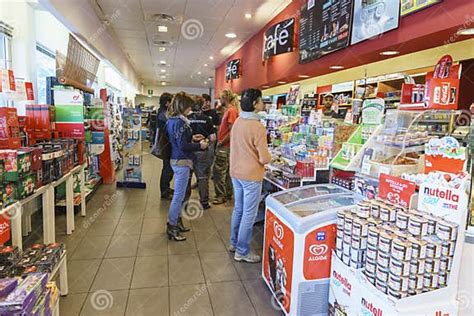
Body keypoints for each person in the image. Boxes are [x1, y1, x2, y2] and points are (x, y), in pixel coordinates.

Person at [229, 88, 271, 263]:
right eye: (261, 100)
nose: (263, 103)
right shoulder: (257, 126)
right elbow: (264, 157)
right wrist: (270, 157)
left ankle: (234, 243)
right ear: (255, 104)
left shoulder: (238, 121)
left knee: (238, 209)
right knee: (249, 213)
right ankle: (242, 251)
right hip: (251, 175)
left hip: (236, 172)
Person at [166, 92, 209, 241]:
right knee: (178, 196)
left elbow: (180, 141)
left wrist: (192, 138)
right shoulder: (179, 122)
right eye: (189, 106)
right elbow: (183, 146)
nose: (190, 109)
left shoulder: (172, 120)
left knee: (180, 194)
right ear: (183, 105)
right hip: (181, 161)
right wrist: (199, 145)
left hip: (177, 159)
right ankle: (172, 226)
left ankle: (177, 223)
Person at [188, 96, 217, 209]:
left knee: (187, 177)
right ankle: (204, 202)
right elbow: (213, 137)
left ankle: (184, 201)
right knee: (203, 177)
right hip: (202, 151)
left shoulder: (186, 118)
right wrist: (206, 140)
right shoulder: (207, 119)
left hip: (189, 150)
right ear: (202, 105)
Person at [212, 89, 239, 205]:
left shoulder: (232, 111)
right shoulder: (228, 110)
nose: (219, 99)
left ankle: (220, 195)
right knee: (226, 171)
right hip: (227, 146)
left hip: (225, 146)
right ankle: (227, 194)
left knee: (219, 171)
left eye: (221, 97)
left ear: (226, 98)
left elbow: (232, 130)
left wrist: (222, 141)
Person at [157, 92, 175, 200]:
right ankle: (164, 191)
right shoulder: (163, 114)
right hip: (166, 145)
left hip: (167, 144)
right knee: (167, 168)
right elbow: (168, 130)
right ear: (167, 103)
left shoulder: (163, 112)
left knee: (167, 168)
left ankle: (166, 188)